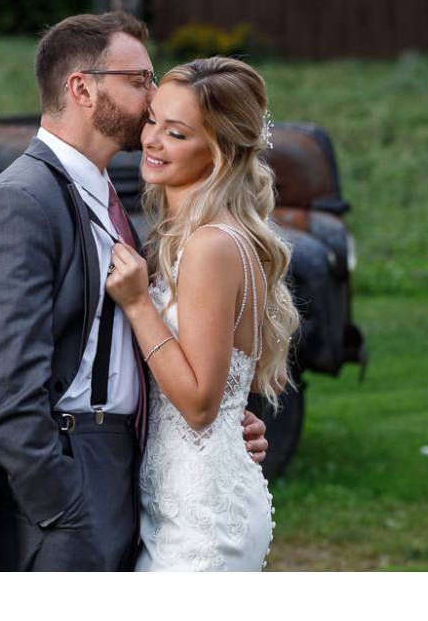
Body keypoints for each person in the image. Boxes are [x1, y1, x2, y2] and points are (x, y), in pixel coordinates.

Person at [0, 13, 269, 572]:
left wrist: (223, 427)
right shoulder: (21, 203)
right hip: (68, 481)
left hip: (131, 474)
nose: (153, 97)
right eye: (139, 80)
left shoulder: (108, 196)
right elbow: (3, 388)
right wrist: (61, 506)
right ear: (82, 87)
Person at [106, 56, 302, 571]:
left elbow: (198, 405)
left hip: (202, 518)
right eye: (152, 121)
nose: (151, 140)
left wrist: (137, 304)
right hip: (178, 499)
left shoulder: (211, 246)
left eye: (176, 133)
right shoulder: (191, 239)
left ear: (218, 151)